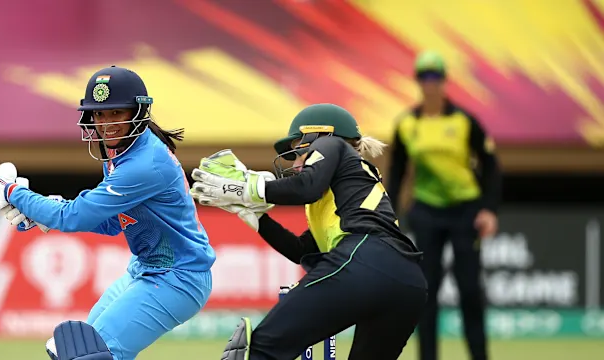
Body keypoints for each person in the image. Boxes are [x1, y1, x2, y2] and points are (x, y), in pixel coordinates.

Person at [0, 65, 215, 360]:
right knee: (71, 351)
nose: (106, 123)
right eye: (100, 114)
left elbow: (75, 216)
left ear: (138, 113)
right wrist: (44, 211)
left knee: (92, 355)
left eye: (116, 113)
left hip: (176, 278)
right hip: (146, 270)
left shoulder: (144, 164)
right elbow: (114, 222)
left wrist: (14, 194)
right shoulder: (122, 152)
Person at [191, 103, 427, 360]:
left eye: (300, 152)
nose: (296, 163)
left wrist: (248, 189)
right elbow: (300, 250)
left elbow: (307, 187)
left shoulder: (331, 144)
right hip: (409, 282)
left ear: (319, 135)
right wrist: (254, 215)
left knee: (259, 349)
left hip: (366, 257)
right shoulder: (345, 191)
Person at [386, 51, 501, 360]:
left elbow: (490, 164)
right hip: (426, 212)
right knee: (426, 293)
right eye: (424, 77)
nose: (430, 83)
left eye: (435, 76)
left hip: (465, 211)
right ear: (418, 81)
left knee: (469, 291)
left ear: (444, 81)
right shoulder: (407, 124)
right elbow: (397, 173)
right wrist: (389, 218)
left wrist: (488, 208)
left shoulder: (463, 121)